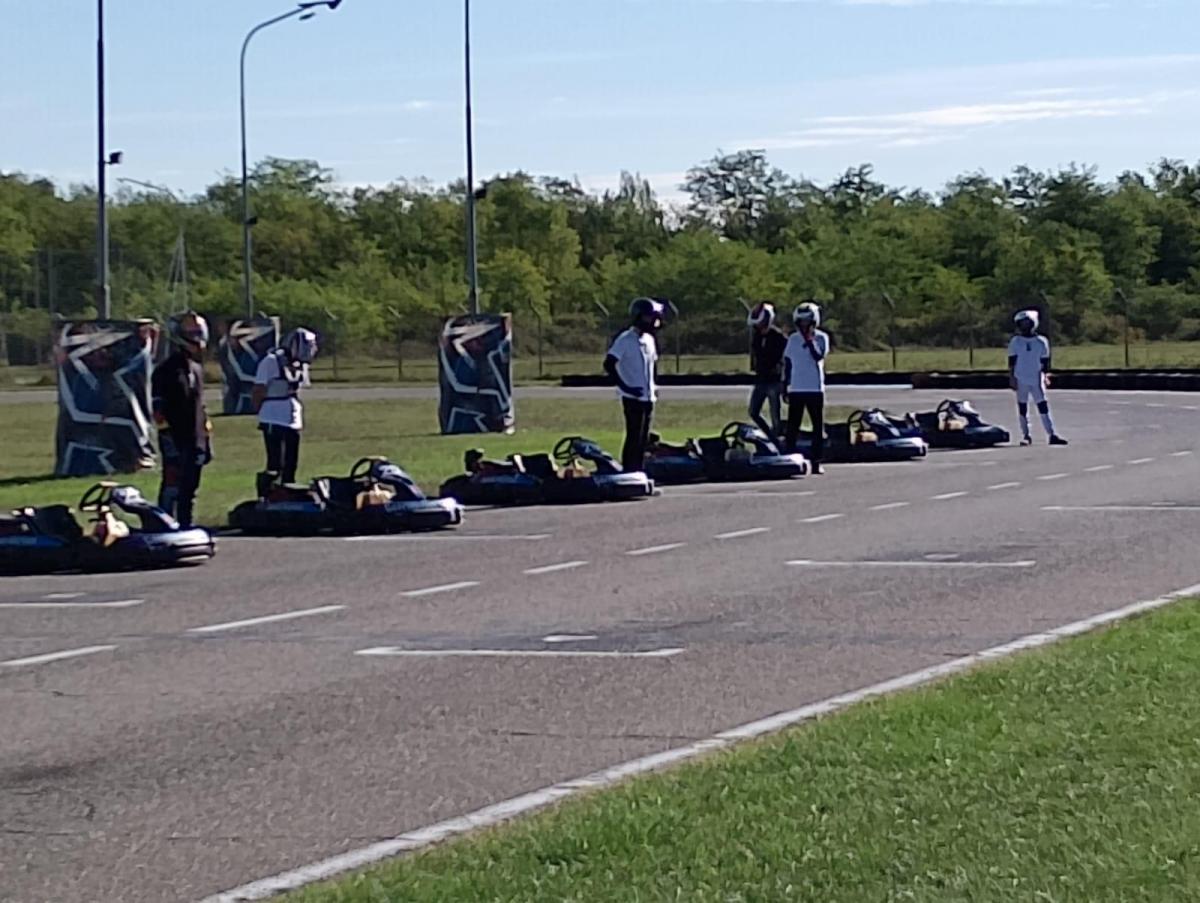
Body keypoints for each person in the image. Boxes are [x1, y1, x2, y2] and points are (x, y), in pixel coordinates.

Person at [151, 311, 212, 527]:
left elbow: (199, 405)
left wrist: (205, 437)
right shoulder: (166, 370)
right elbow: (158, 411)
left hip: (196, 437)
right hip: (175, 436)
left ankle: (186, 523)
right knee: (172, 484)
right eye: (192, 334)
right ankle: (164, 524)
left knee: (190, 487)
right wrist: (169, 440)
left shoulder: (196, 369)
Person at [253, 327, 319, 486]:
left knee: (291, 461)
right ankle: (268, 492)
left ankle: (288, 490)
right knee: (275, 463)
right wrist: (260, 410)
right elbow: (259, 389)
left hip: (292, 416)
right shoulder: (271, 361)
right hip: (273, 416)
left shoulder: (300, 365)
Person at [604, 297, 664, 472]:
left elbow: (652, 365)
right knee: (634, 436)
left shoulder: (649, 340)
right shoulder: (625, 339)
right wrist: (625, 387)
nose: (653, 322)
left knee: (644, 438)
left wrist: (653, 386)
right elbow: (609, 364)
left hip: (648, 396)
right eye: (649, 317)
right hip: (632, 397)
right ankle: (629, 470)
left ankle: (639, 470)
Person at [783, 301, 830, 474]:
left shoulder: (821, 338)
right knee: (792, 427)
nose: (804, 326)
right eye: (801, 322)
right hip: (797, 388)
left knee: (817, 427)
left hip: (814, 389)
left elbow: (818, 356)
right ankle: (789, 458)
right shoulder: (793, 339)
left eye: (807, 322)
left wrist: (810, 339)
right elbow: (788, 363)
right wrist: (785, 386)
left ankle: (817, 461)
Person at [1009, 310, 1068, 446]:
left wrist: (1046, 375)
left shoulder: (1041, 341)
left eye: (1027, 323)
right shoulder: (1015, 341)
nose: (1024, 326)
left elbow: (1045, 361)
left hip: (1036, 378)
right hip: (1020, 377)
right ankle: (1026, 435)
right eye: (1022, 323)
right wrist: (1012, 378)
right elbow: (1012, 361)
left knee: (1043, 406)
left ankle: (1051, 434)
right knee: (1022, 407)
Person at [747, 301, 787, 439]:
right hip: (760, 379)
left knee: (775, 414)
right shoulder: (757, 336)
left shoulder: (779, 337)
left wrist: (784, 381)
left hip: (774, 380)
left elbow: (785, 360)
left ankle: (778, 438)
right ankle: (769, 435)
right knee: (753, 412)